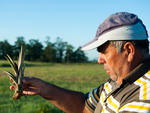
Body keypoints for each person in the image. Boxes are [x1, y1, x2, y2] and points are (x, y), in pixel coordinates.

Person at [10, 12, 150, 113]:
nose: (99, 59)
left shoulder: (144, 97)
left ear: (129, 50)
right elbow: (85, 106)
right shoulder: (117, 81)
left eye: (104, 51)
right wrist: (43, 88)